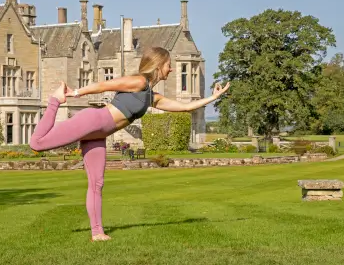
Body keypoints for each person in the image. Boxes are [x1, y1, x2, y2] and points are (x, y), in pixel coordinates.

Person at [29, 46, 230, 242]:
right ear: (159, 65)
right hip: (93, 121)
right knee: (37, 143)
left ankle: (97, 233)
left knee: (97, 184)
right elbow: (104, 86)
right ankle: (55, 99)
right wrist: (74, 93)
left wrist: (213, 97)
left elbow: (185, 107)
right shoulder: (138, 81)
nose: (171, 69)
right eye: (169, 64)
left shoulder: (152, 96)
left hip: (99, 135)